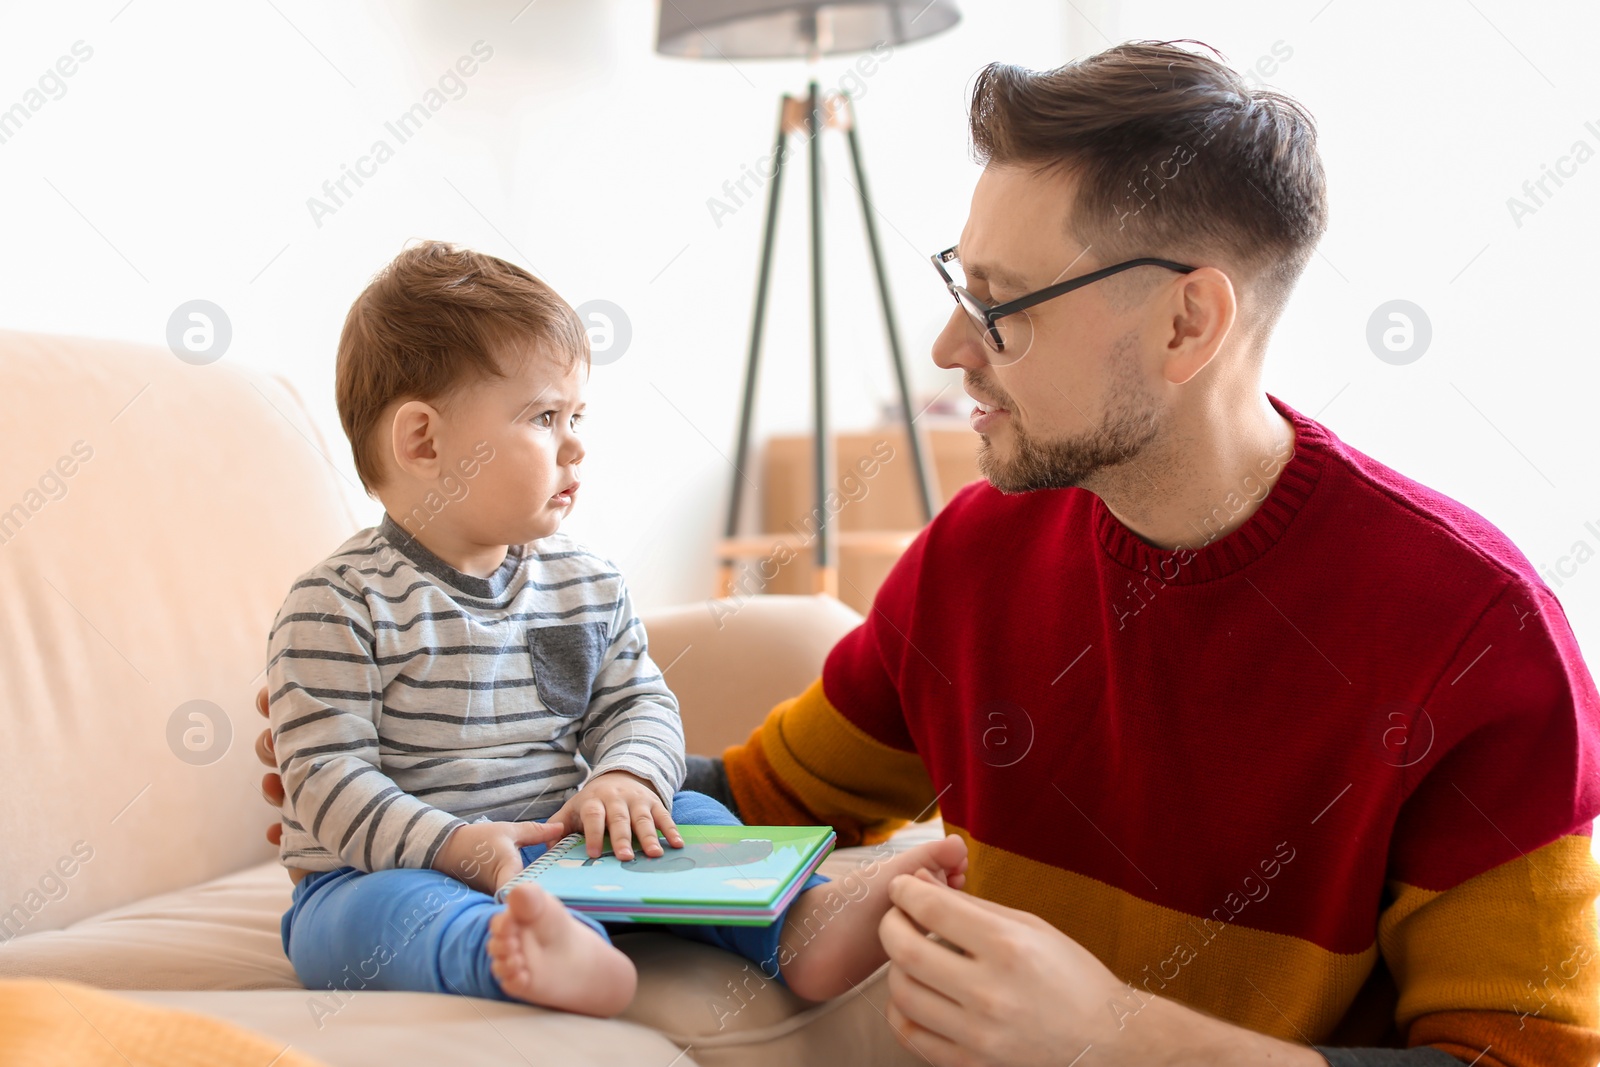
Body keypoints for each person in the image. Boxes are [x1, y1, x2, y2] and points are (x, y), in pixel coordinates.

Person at [260, 42, 1600, 1066]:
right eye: (958, 286)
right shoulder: (979, 551)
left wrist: (1120, 1034)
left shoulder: (1476, 636)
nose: (952, 349)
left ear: (1190, 322)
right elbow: (767, 795)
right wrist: (451, 778)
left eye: (1001, 305)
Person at [263, 240, 968, 1018]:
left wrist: (627, 777)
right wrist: (454, 847)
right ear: (424, 441)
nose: (576, 444)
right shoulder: (334, 604)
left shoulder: (585, 583)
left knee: (697, 821)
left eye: (577, 415)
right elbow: (328, 782)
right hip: (388, 868)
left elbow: (639, 702)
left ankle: (802, 922)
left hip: (570, 850)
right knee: (375, 919)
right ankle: (516, 952)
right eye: (543, 417)